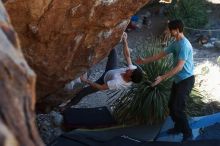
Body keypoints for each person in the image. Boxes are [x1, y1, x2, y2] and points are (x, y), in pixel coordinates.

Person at [136, 19, 194, 142]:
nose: (168, 31)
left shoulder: (184, 45)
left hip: (186, 80)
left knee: (177, 108)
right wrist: (144, 60)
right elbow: (160, 55)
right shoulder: (176, 42)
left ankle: (188, 135)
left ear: (177, 30)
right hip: (178, 80)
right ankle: (178, 127)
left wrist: (162, 77)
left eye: (170, 30)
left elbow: (179, 67)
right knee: (171, 106)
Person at [64, 32, 143, 108]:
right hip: (112, 70)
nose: (130, 69)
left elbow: (101, 87)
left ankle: (68, 105)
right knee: (113, 51)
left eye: (131, 71)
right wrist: (125, 41)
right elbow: (127, 56)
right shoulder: (132, 70)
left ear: (130, 78)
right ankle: (95, 45)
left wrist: (85, 81)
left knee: (83, 92)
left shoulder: (117, 83)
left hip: (104, 81)